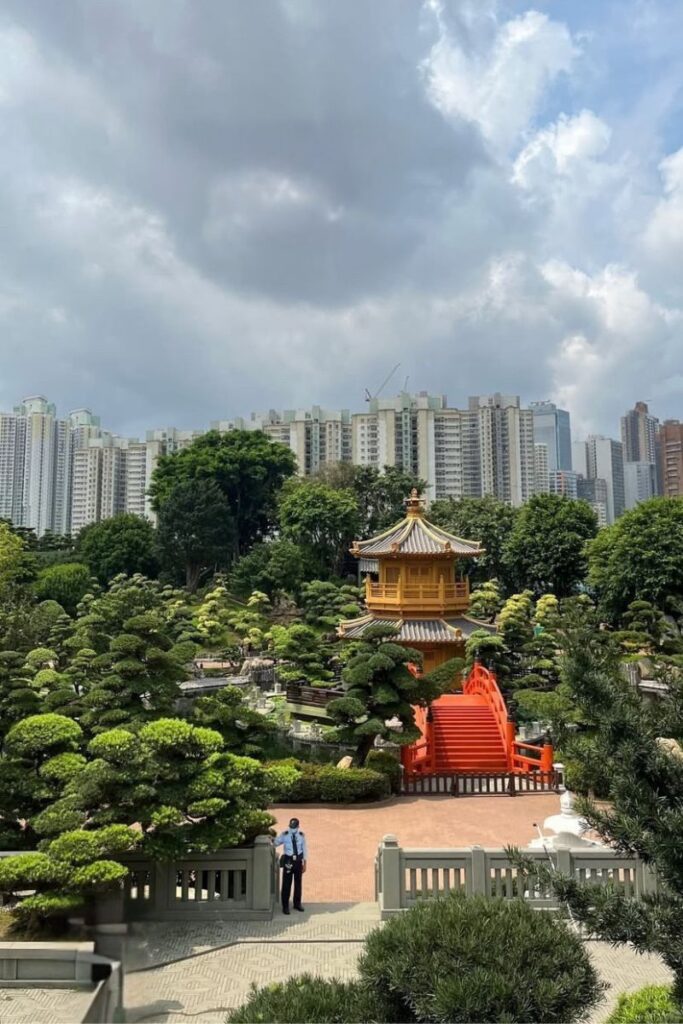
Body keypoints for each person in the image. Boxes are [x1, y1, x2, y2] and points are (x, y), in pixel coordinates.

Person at [274, 817, 307, 914]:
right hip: (288, 861)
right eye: (291, 826)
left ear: (298, 827)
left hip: (298, 861)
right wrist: (271, 839)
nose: (292, 828)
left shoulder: (301, 836)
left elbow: (304, 850)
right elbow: (276, 842)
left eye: (294, 827)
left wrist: (305, 864)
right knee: (286, 884)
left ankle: (297, 904)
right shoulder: (285, 835)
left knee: (298, 883)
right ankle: (285, 906)